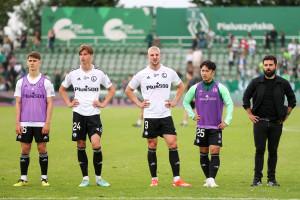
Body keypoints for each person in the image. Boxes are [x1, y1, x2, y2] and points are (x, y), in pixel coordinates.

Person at [125, 46, 191, 187]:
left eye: (156, 54)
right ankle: (154, 179)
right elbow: (128, 90)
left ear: (160, 56)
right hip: (150, 116)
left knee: (173, 143)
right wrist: (138, 103)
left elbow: (181, 86)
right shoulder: (142, 74)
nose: (154, 57)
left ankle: (177, 179)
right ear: (148, 57)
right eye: (152, 55)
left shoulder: (168, 72)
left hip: (165, 115)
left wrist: (174, 102)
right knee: (152, 145)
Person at [59, 44, 115, 187]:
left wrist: (103, 103)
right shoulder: (73, 73)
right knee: (81, 144)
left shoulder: (99, 73)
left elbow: (111, 89)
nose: (83, 57)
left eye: (85, 54)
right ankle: (85, 178)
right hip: (78, 114)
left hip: (94, 114)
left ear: (91, 56)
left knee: (96, 144)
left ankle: (98, 178)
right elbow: (62, 89)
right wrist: (68, 102)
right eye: (81, 54)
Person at [242, 55, 296, 187]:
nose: (268, 67)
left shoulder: (283, 83)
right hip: (259, 122)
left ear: (276, 66)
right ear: (263, 66)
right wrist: (249, 114)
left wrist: (287, 113)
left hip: (276, 123)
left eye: (271, 65)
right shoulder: (256, 82)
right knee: (259, 150)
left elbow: (292, 99)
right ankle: (257, 179)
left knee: (273, 151)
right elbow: (246, 97)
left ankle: (271, 179)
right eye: (266, 65)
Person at [183, 60, 234, 188]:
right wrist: (192, 115)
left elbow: (230, 104)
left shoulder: (220, 87)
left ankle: (211, 178)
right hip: (201, 127)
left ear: (213, 72)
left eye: (206, 71)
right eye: (202, 71)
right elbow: (185, 102)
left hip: (215, 127)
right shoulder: (195, 87)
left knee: (214, 150)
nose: (204, 73)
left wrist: (226, 121)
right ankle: (208, 178)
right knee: (204, 152)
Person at [13, 51, 55, 186]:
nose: (32, 63)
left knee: (42, 149)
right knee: (25, 149)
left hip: (41, 122)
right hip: (25, 121)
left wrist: (47, 123)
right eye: (30, 60)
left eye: (35, 61)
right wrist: (17, 122)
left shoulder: (46, 82)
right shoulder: (20, 82)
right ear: (27, 62)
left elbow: (50, 103)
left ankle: (44, 178)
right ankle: (23, 179)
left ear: (39, 63)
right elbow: (18, 103)